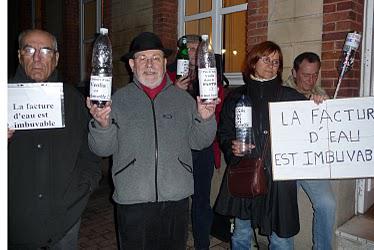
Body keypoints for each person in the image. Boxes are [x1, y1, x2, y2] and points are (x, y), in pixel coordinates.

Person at [86, 32, 218, 250]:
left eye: (156, 58)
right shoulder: (116, 101)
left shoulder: (183, 100)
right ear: (131, 64)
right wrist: (102, 125)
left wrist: (205, 118)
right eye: (142, 58)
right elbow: (102, 149)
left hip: (176, 197)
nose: (150, 65)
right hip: (133, 198)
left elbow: (199, 142)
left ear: (165, 63)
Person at [214, 41, 324, 250]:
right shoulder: (237, 97)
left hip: (280, 179)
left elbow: (313, 129)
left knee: (281, 239)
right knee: (241, 233)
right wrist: (231, 147)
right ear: (253, 62)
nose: (272, 65)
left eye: (276, 62)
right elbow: (225, 133)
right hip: (246, 171)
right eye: (266, 59)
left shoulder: (291, 97)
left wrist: (316, 105)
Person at [8, 29, 102, 249]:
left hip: (65, 221)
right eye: (29, 50)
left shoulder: (74, 100)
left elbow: (91, 154)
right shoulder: (5, 99)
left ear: (56, 57)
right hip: (15, 225)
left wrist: (84, 188)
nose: (37, 57)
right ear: (19, 55)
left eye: (46, 50)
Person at [167, 34, 224, 250]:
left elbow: (217, 111)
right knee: (177, 200)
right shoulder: (168, 76)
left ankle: (202, 244)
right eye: (188, 49)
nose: (193, 53)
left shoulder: (209, 74)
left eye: (197, 49)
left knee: (202, 200)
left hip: (203, 148)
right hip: (177, 147)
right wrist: (174, 90)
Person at [283, 52, 336, 250]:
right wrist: (305, 103)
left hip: (311, 162)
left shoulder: (320, 93)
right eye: (306, 75)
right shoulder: (280, 91)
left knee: (327, 204)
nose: (311, 80)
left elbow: (329, 132)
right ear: (294, 72)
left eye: (315, 75)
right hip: (287, 163)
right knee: (284, 208)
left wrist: (324, 107)